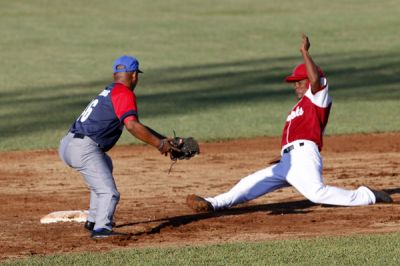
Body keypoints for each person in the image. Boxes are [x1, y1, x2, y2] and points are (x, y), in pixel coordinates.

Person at [186, 34, 393, 213]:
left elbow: (315, 81)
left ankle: (367, 195)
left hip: (304, 156)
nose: (295, 85)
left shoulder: (318, 98)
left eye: (299, 81)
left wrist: (305, 52)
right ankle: (213, 203)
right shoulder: (298, 108)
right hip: (289, 161)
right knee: (250, 183)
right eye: (294, 82)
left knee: (317, 194)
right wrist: (285, 155)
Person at [59, 55, 174, 239]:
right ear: (134, 75)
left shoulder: (111, 90)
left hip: (69, 144)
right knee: (109, 192)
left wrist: (163, 139)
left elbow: (136, 123)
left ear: (115, 74)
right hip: (83, 148)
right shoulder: (124, 93)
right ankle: (102, 229)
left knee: (105, 164)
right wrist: (160, 145)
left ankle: (93, 219)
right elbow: (132, 126)